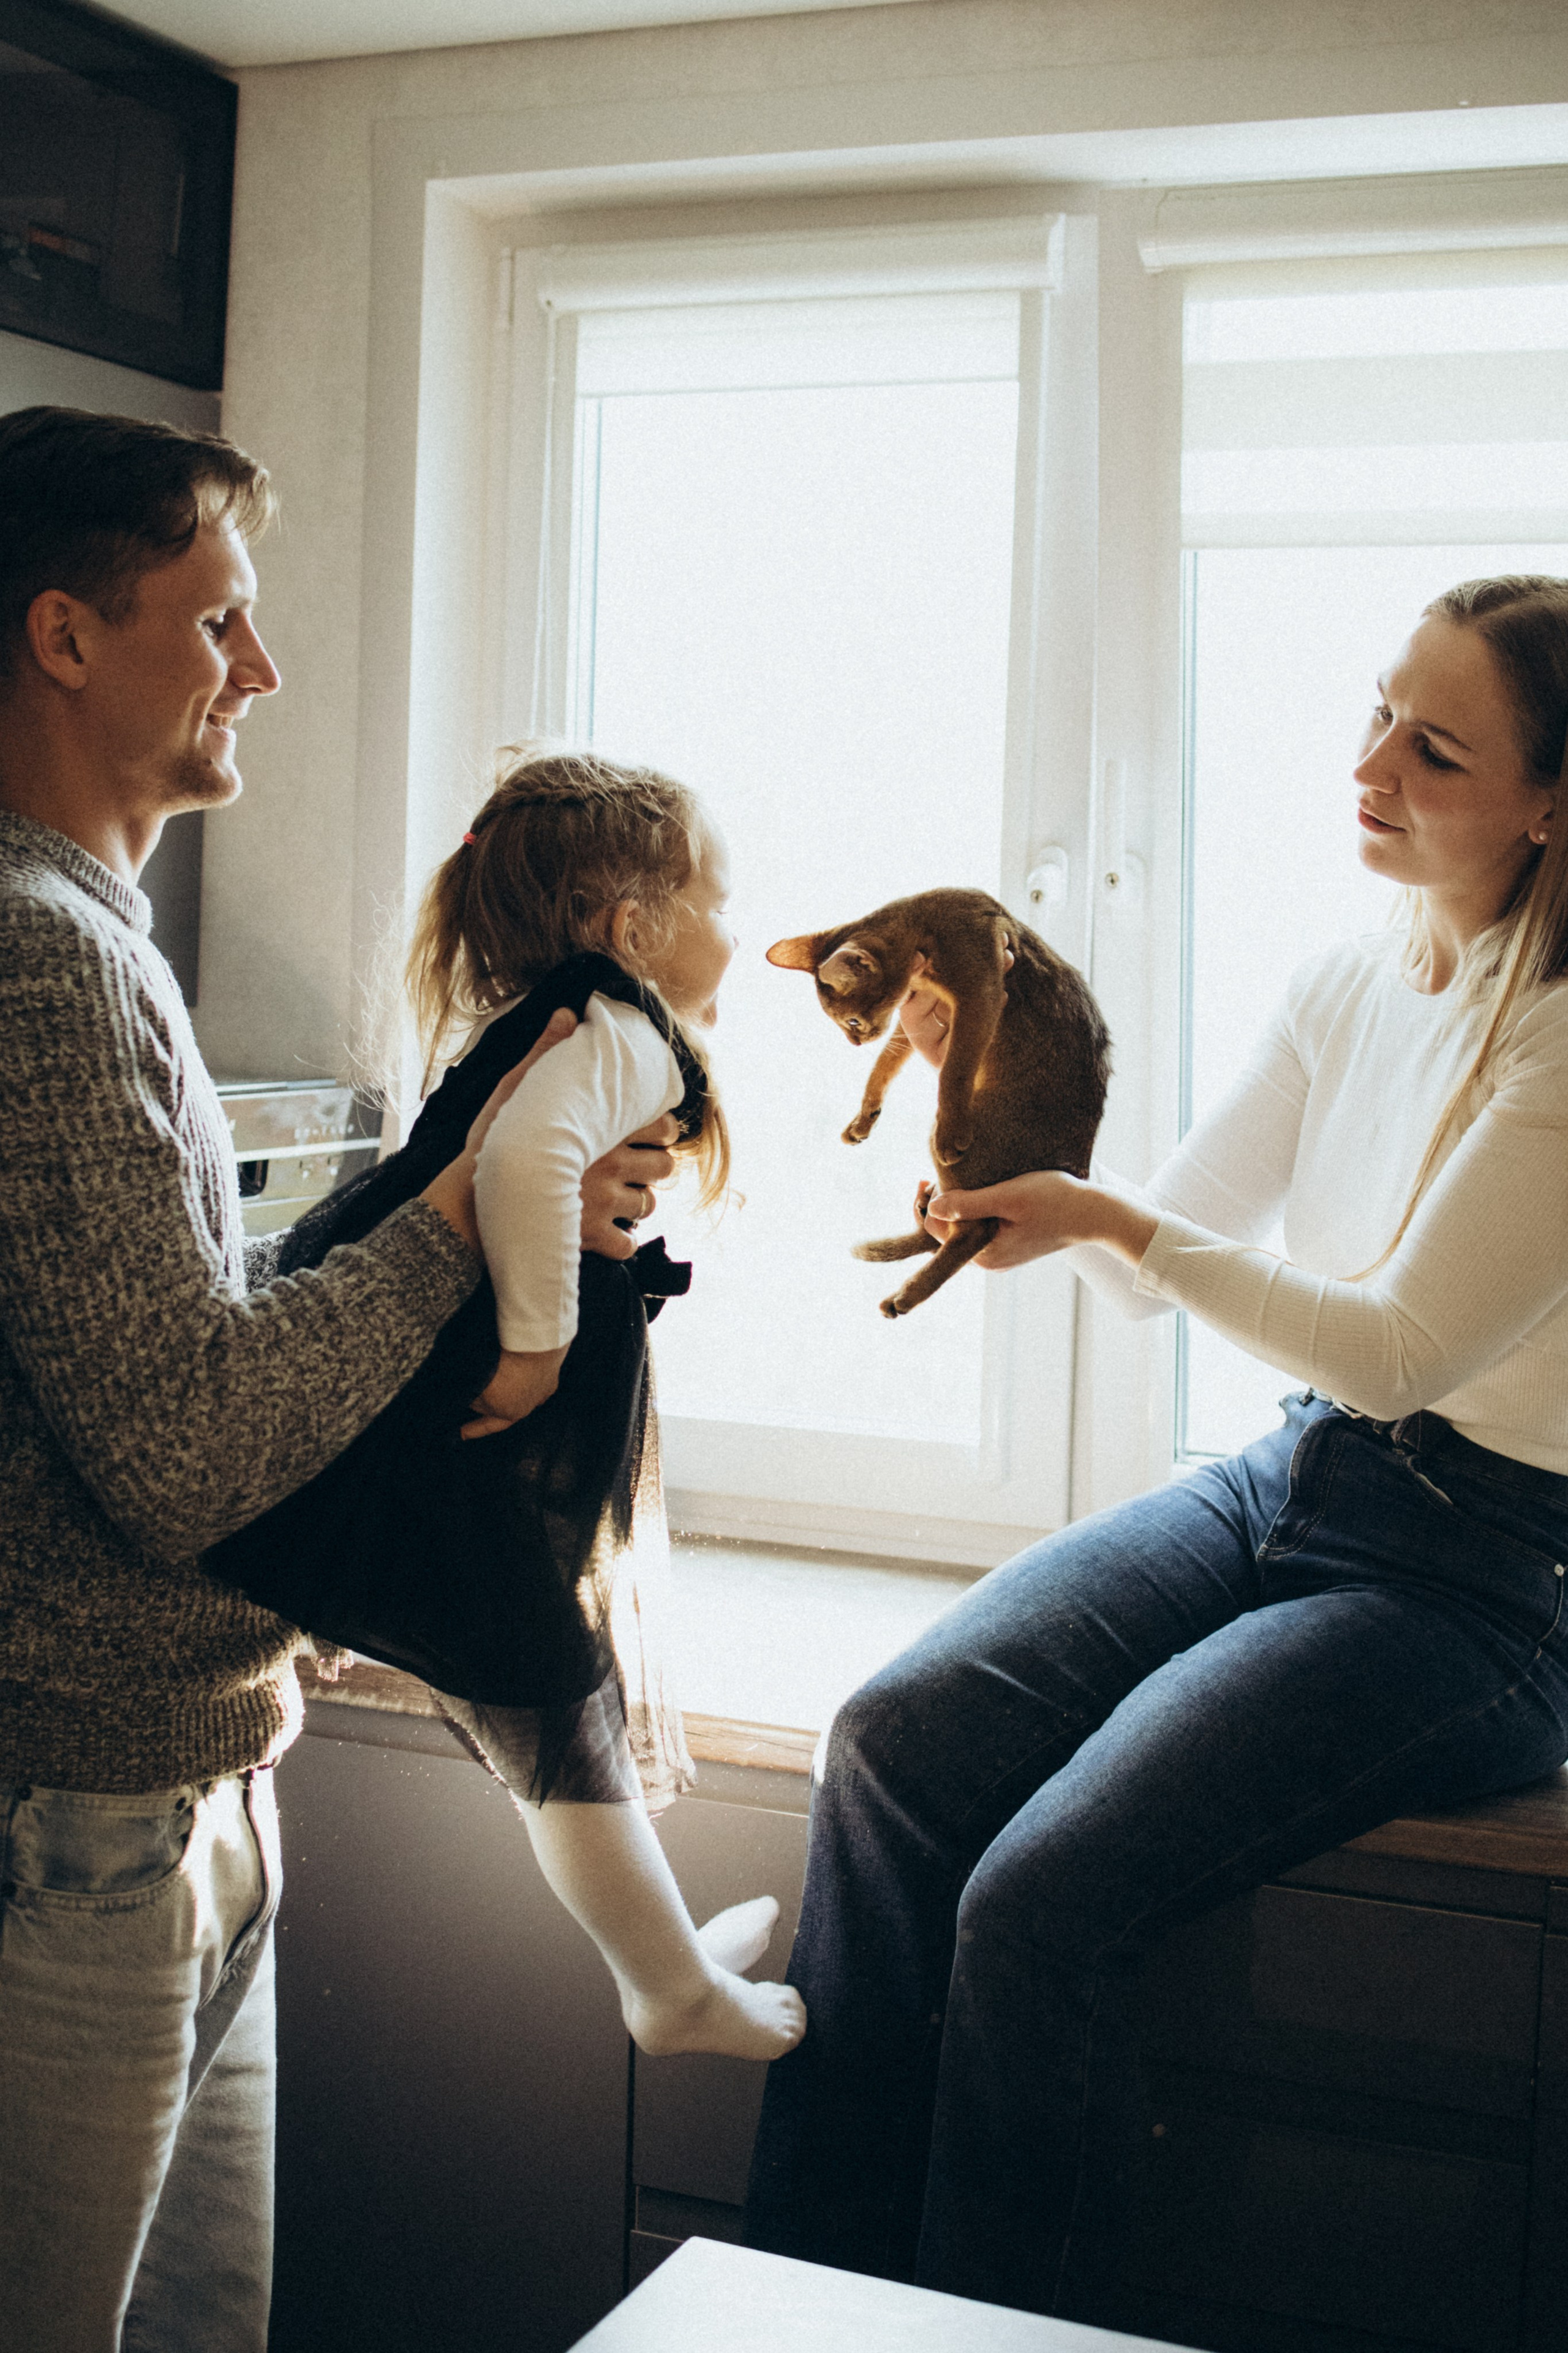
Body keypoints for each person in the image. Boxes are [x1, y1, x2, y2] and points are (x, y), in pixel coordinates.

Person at [745, 575, 1568, 2324]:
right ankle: (808, 2306)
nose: (1371, 765)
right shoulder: (1355, 973)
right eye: (1374, 712)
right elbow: (1154, 1262)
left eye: (1435, 748)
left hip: (1485, 1584)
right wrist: (1006, 1169)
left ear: (1551, 802)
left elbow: (1407, 1347)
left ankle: (996, 2330)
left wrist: (1109, 1223)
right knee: (895, 1740)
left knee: (1044, 1903)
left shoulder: (1564, 1028)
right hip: (1297, 1483)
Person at [0, 407, 677, 2353]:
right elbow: (185, 1439)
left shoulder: (94, 942)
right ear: (63, 636)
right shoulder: (41, 960)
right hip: (78, 1830)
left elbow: (187, 1331)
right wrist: (458, 1225)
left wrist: (456, 1213)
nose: (263, 669)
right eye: (222, 622)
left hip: (190, 1787)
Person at [331, 748, 806, 2062]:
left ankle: (660, 1962)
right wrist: (537, 1350)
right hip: (481, 1399)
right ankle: (665, 1985)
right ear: (632, 928)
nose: (734, 927)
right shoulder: (615, 1025)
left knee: (554, 1696)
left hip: (450, 1392)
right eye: (717, 897)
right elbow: (530, 1158)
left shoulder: (569, 1019)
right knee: (549, 1693)